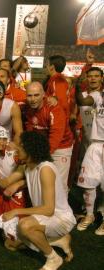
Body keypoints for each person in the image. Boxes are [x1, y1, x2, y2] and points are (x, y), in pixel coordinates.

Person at [2, 131, 76, 270]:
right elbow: (6, 182)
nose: (18, 148)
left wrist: (16, 211)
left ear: (31, 149)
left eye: (22, 146)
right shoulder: (27, 166)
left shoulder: (45, 169)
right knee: (9, 237)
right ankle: (59, 240)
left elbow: (48, 209)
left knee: (25, 226)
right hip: (44, 216)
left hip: (60, 218)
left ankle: (54, 259)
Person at [23, 82, 73, 195]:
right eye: (29, 95)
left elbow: (55, 137)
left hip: (61, 148)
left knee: (59, 183)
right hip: (43, 148)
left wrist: (40, 156)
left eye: (36, 95)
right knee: (41, 181)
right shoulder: (29, 108)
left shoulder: (54, 109)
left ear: (43, 95)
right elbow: (30, 131)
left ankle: (62, 212)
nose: (32, 99)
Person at [75, 67, 104, 235]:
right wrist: (78, 87)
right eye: (90, 76)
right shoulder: (97, 96)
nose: (93, 79)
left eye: (96, 76)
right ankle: (90, 215)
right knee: (87, 182)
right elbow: (82, 102)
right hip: (95, 145)